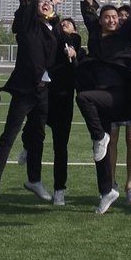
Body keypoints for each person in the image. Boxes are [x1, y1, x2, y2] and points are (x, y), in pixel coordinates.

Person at [0, 0, 61, 201]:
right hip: (25, 89)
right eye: (42, 2)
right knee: (10, 134)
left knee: (38, 136)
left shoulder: (52, 30)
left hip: (43, 91)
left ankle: (34, 180)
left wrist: (54, 5)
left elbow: (56, 25)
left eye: (49, 3)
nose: (45, 4)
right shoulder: (29, 26)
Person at [75, 0, 131, 214]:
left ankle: (101, 137)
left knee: (83, 98)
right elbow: (87, 11)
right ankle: (106, 190)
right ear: (101, 21)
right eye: (106, 17)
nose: (111, 20)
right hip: (101, 98)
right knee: (101, 153)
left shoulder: (123, 36)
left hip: (118, 95)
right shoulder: (96, 38)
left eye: (113, 17)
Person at [46, 15, 82, 204]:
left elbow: (72, 42)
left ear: (74, 30)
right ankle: (27, 149)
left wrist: (74, 53)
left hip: (64, 100)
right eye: (61, 24)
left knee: (60, 147)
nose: (63, 25)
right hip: (46, 94)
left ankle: (59, 189)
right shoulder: (53, 39)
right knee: (34, 130)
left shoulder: (76, 42)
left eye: (67, 24)